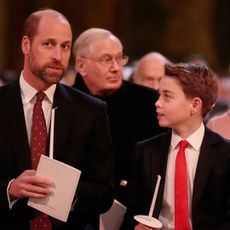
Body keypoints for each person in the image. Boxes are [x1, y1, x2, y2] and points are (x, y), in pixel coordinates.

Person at [0, 9, 113, 230]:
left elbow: (105, 192)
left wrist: (65, 193)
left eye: (65, 46)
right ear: (26, 45)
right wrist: (11, 189)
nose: (58, 56)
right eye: (48, 44)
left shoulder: (91, 111)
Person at [121, 63, 230, 229]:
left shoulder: (225, 155)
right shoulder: (146, 151)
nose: (157, 103)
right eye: (159, 95)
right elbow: (133, 212)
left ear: (195, 105)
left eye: (167, 96)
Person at [72, 28, 167, 207]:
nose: (116, 68)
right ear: (81, 66)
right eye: (106, 59)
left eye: (119, 58)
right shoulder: (64, 104)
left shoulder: (149, 102)